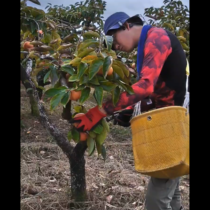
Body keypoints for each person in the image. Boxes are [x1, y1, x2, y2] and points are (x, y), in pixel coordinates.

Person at [70, 12, 187, 210]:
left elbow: (146, 86)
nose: (115, 47)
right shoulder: (150, 42)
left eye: (113, 38)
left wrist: (101, 110)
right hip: (167, 121)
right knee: (171, 190)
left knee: (157, 200)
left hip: (170, 124)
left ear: (125, 26)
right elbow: (158, 87)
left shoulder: (157, 38)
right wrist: (129, 109)